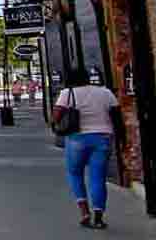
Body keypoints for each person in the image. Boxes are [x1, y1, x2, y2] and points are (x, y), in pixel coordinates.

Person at [50, 68, 120, 229]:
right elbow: (116, 116)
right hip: (103, 137)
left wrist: (56, 124)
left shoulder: (67, 93)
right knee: (98, 177)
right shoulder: (105, 92)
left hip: (77, 138)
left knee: (74, 173)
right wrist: (119, 139)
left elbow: (56, 116)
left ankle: (84, 213)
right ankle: (99, 217)